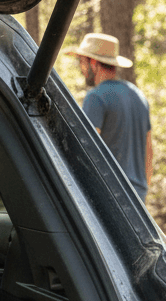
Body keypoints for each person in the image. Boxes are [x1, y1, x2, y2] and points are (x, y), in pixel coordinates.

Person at [64, 32, 152, 201]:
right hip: (138, 199)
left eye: (83, 62)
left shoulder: (95, 97)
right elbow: (149, 152)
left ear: (94, 63)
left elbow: (87, 151)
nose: (82, 69)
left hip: (109, 197)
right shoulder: (139, 96)